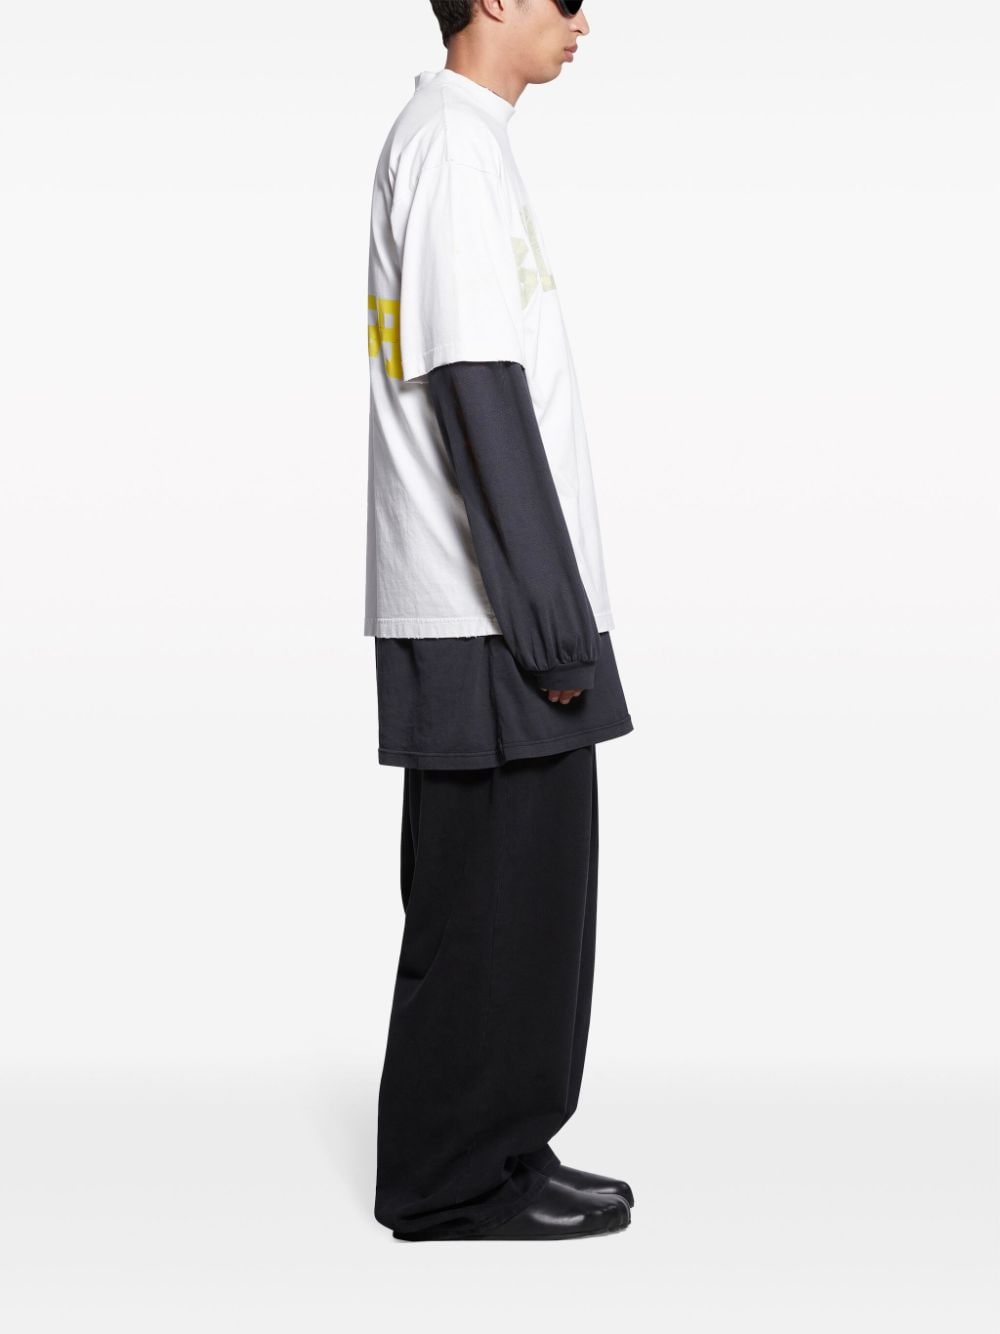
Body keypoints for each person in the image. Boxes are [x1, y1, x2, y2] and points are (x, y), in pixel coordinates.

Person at [364, 0, 636, 1241]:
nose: (583, 20)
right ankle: (449, 1178)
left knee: (529, 895)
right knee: (486, 900)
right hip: (483, 614)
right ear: (491, 0)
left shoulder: (467, 142)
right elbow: (477, 388)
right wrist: (550, 627)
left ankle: (507, 1148)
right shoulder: (448, 147)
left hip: (500, 608)